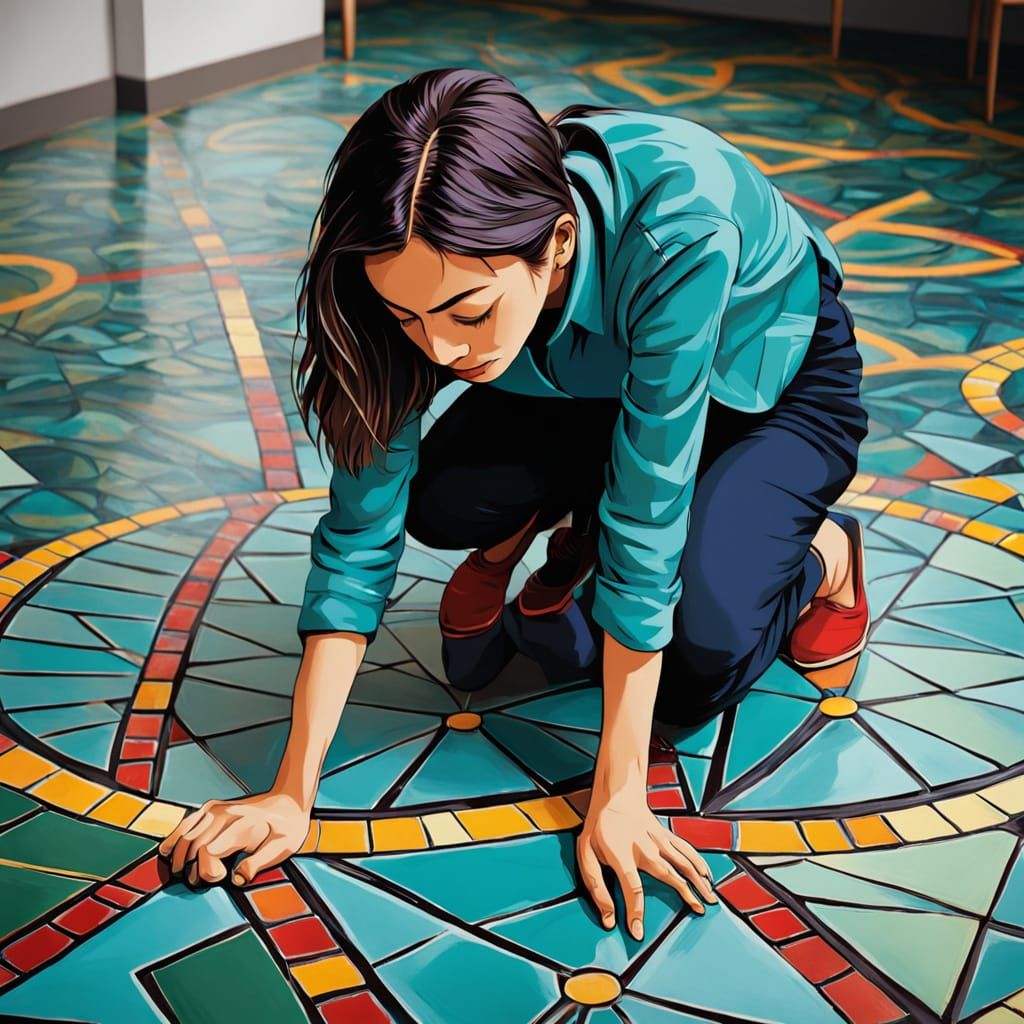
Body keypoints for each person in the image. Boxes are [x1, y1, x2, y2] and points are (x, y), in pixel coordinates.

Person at [158, 67, 869, 942]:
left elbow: (650, 514)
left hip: (764, 385)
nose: (442, 347)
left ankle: (829, 556)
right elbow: (359, 534)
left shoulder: (680, 223)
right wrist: (290, 793)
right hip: (578, 377)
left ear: (559, 242)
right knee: (441, 502)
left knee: (703, 659)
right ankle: (561, 525)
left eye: (466, 308)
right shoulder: (431, 282)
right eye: (408, 316)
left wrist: (615, 795)